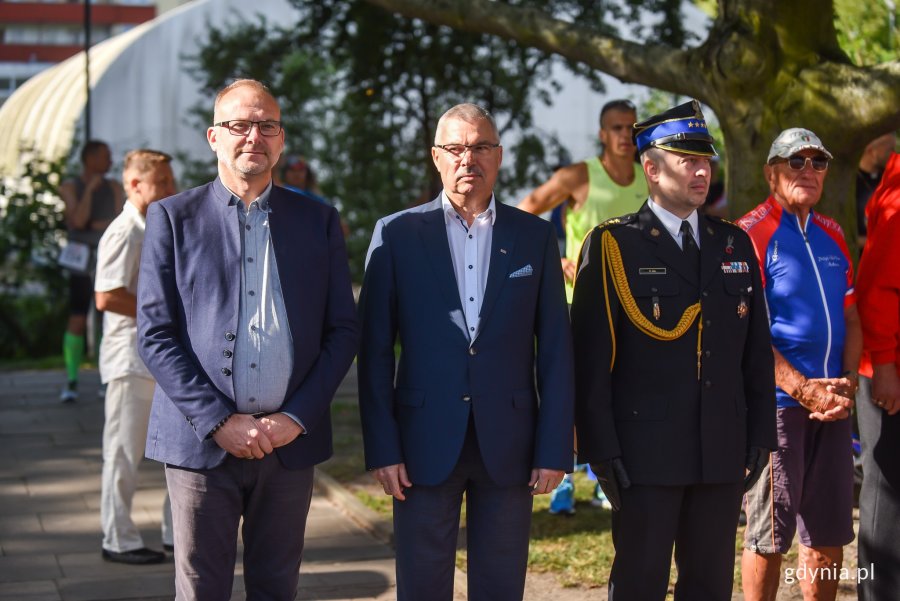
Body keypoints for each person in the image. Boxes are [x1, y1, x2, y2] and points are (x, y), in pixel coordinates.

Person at [136, 79, 358, 599]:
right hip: (200, 444)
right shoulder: (172, 218)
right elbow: (156, 333)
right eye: (240, 124)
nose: (253, 135)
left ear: (281, 140)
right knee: (200, 588)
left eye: (267, 126)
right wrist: (218, 421)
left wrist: (296, 417)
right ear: (214, 136)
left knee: (277, 586)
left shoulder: (319, 221)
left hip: (288, 445)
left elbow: (342, 329)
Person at [358, 103, 574, 601]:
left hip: (511, 442)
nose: (467, 159)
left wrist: (553, 447)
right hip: (420, 442)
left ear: (498, 156)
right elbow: (372, 351)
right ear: (436, 157)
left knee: (501, 587)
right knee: (422, 586)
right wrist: (383, 447)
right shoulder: (396, 234)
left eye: (479, 147)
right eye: (455, 148)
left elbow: (557, 350)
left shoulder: (534, 236)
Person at [571, 99, 776, 601]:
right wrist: (601, 451)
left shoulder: (733, 244)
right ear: (651, 168)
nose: (702, 170)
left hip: (720, 451)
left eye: (706, 160)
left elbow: (754, 351)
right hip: (645, 456)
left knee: (708, 587)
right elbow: (590, 361)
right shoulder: (614, 245)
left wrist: (759, 436)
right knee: (640, 584)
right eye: (688, 160)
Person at [737, 128, 860, 601]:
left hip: (833, 404)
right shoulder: (751, 233)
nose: (807, 170)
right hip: (778, 405)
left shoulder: (832, 232)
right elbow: (746, 334)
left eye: (818, 162)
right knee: (770, 534)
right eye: (796, 161)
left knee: (829, 532)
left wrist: (846, 385)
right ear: (771, 173)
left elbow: (851, 314)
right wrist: (804, 388)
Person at [94, 149, 176, 565]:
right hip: (130, 361)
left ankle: (174, 534)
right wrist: (163, 310)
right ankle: (118, 538)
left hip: (158, 359)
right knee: (124, 453)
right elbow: (107, 295)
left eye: (170, 180)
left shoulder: (153, 225)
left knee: (175, 451)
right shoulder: (124, 230)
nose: (170, 189)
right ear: (134, 185)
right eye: (162, 182)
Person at [518, 99, 649, 302]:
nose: (625, 134)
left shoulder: (650, 177)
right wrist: (553, 260)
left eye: (630, 128)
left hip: (635, 298)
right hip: (582, 298)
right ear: (602, 135)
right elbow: (520, 215)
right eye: (617, 128)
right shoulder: (577, 175)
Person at [856, 149, 900, 601]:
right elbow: (875, 290)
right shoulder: (898, 201)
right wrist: (885, 367)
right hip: (890, 375)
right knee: (887, 496)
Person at [58, 140, 125, 402]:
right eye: (105, 157)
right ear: (90, 159)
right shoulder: (70, 186)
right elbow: (77, 220)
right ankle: (71, 379)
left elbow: (120, 219)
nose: (110, 162)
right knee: (77, 317)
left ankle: (104, 377)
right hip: (80, 260)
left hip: (106, 257)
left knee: (107, 317)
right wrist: (89, 193)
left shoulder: (115, 187)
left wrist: (92, 224)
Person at [856, 132, 896, 250]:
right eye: (890, 149)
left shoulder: (890, 179)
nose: (894, 154)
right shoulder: (851, 183)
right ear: (871, 150)